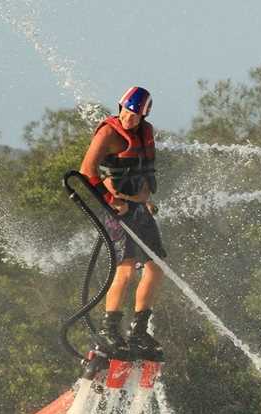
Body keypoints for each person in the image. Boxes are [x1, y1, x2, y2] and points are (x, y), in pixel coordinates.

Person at [79, 86, 165, 361]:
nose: (130, 119)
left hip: (140, 209)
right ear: (120, 108)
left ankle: (139, 331)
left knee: (155, 268)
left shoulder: (145, 133)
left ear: (144, 116)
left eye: (136, 116)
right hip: (116, 209)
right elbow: (86, 171)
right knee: (126, 271)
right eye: (128, 113)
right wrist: (109, 200)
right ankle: (109, 330)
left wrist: (145, 202)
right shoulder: (109, 133)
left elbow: (141, 171)